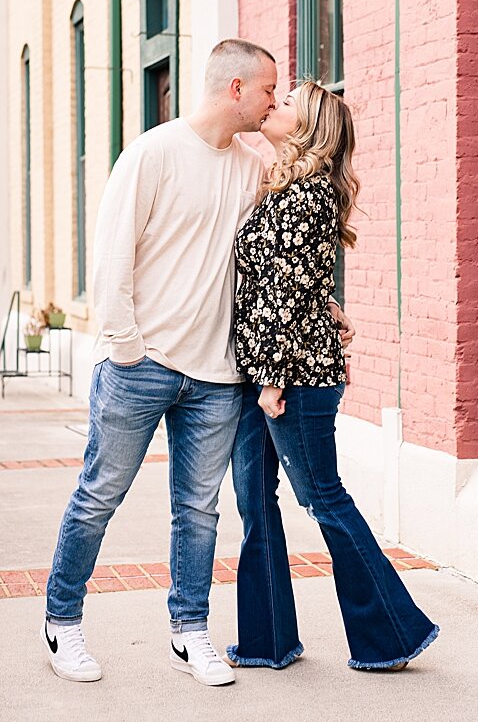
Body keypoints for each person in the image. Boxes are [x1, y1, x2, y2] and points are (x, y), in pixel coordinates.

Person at [41, 39, 280, 686]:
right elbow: (113, 256)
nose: (273, 103)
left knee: (199, 512)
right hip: (141, 366)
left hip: (216, 377)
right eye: (267, 92)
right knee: (99, 497)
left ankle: (190, 632)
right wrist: (126, 349)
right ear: (235, 88)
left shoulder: (252, 167)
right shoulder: (153, 153)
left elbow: (267, 260)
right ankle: (62, 621)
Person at [227, 80, 439, 672]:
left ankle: (393, 635)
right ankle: (267, 640)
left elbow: (285, 296)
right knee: (255, 501)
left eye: (287, 102)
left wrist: (272, 380)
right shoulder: (285, 189)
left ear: (308, 128)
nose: (275, 104)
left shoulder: (308, 195)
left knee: (322, 498)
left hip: (289, 379)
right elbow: (287, 281)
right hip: (264, 369)